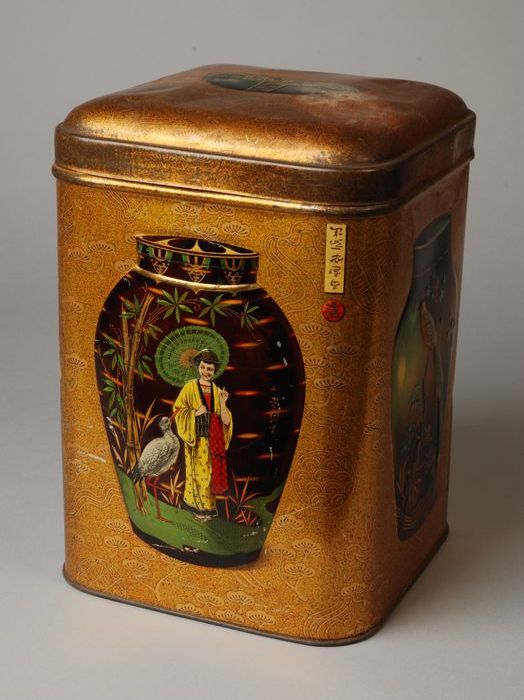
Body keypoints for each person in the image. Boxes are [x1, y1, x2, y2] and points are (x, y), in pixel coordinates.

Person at [172, 349, 232, 520]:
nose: (206, 371)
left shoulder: (217, 391)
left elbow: (226, 421)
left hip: (212, 440)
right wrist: (195, 413)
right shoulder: (189, 387)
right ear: (198, 366)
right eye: (203, 367)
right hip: (195, 437)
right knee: (196, 475)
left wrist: (222, 403)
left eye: (210, 369)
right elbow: (178, 410)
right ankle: (195, 508)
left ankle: (208, 509)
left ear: (215, 371)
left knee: (209, 476)